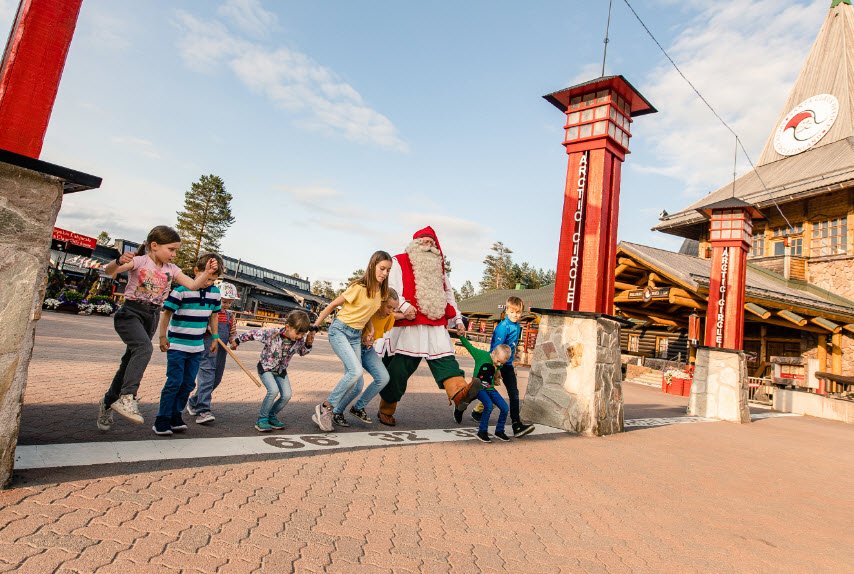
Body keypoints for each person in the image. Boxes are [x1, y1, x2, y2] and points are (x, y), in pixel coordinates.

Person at [97, 226, 219, 431]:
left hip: (151, 316)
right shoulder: (139, 261)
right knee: (145, 348)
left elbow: (192, 285)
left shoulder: (172, 269)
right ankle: (128, 397)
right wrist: (118, 261)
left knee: (129, 362)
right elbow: (109, 271)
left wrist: (206, 273)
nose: (174, 254)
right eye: (171, 249)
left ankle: (108, 401)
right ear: (154, 246)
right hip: (130, 313)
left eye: (176, 251)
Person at [379, 227, 479, 426]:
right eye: (423, 241)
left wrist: (458, 320)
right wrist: (405, 306)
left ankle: (460, 394)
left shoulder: (439, 270)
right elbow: (392, 289)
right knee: (399, 369)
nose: (427, 245)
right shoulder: (399, 261)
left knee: (446, 362)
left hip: (435, 324)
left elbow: (449, 296)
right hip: (409, 325)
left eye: (431, 242)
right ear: (415, 243)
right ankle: (386, 409)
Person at [311, 251, 392, 432]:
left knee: (357, 384)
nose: (385, 273)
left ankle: (337, 411)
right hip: (340, 330)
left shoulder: (380, 292)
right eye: (382, 268)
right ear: (372, 266)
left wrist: (370, 329)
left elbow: (367, 314)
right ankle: (325, 408)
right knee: (355, 372)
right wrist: (316, 326)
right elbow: (333, 305)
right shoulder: (358, 287)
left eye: (388, 270)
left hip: (356, 335)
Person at [152, 253, 223, 436]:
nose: (208, 282)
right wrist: (162, 337)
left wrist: (214, 337)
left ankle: (176, 416)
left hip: (197, 347)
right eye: (206, 277)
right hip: (177, 345)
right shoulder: (182, 290)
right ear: (196, 271)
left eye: (213, 279)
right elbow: (166, 313)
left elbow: (214, 315)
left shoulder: (215, 293)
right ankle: (162, 419)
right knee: (174, 382)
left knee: (188, 384)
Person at [232, 310, 314, 432]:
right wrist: (237, 340)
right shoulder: (272, 333)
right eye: (298, 333)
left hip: (281, 370)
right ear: (288, 327)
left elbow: (302, 352)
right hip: (266, 368)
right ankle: (262, 419)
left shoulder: (299, 340)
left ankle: (271, 415)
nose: (300, 336)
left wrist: (308, 344)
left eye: (303, 334)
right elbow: (253, 333)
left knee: (286, 395)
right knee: (273, 390)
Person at [331, 288, 400, 426]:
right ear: (380, 302)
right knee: (357, 385)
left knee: (383, 378)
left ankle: (358, 407)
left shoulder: (390, 318)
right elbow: (353, 329)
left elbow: (382, 332)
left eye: (394, 308)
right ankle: (337, 412)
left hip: (368, 350)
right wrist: (363, 338)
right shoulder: (368, 311)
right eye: (389, 307)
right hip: (354, 346)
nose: (391, 311)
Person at [471, 296, 535, 437]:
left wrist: (513, 362)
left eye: (518, 313)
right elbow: (497, 349)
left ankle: (516, 425)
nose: (515, 315)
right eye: (512, 312)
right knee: (487, 390)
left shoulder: (517, 327)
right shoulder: (503, 327)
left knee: (513, 393)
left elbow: (512, 346)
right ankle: (467, 406)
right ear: (507, 311)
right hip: (495, 364)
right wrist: (496, 369)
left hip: (508, 365)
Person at [186, 281, 240, 424]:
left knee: (216, 379)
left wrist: (233, 341)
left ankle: (194, 401)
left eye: (229, 302)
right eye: (223, 301)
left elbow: (232, 333)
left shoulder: (230, 316)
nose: (226, 305)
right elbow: (197, 325)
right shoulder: (209, 312)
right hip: (207, 349)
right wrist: (207, 326)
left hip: (222, 351)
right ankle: (203, 410)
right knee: (207, 378)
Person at [456, 335, 512, 443]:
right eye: (498, 361)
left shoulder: (498, 363)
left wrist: (499, 372)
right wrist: (461, 335)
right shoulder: (481, 355)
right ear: (494, 353)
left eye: (502, 363)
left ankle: (499, 431)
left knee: (505, 408)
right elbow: (469, 347)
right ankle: (482, 431)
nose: (499, 364)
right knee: (488, 406)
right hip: (479, 388)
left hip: (490, 389)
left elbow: (497, 369)